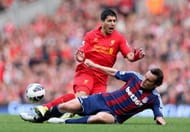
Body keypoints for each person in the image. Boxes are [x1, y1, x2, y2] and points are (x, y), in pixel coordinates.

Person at [21, 8, 145, 119]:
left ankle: (64, 114)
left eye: (114, 21)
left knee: (95, 109)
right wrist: (79, 57)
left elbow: (129, 56)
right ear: (102, 22)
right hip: (87, 72)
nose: (112, 23)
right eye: (109, 21)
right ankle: (45, 108)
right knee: (81, 97)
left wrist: (136, 56)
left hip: (102, 78)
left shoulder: (119, 38)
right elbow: (81, 53)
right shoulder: (91, 35)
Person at [21, 59, 166, 125]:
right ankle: (39, 118)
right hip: (102, 99)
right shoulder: (135, 77)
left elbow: (159, 116)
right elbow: (114, 72)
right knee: (67, 106)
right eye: (145, 77)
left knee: (101, 118)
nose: (144, 81)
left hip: (114, 115)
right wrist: (95, 65)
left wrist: (160, 120)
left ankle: (65, 121)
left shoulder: (154, 98)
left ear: (156, 84)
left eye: (148, 81)